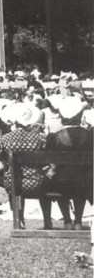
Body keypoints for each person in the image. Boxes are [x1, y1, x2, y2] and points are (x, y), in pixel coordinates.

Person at [42, 97, 93, 230]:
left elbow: (48, 160)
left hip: (61, 182)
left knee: (61, 178)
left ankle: (67, 221)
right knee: (80, 181)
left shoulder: (54, 137)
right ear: (80, 115)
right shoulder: (90, 135)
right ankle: (78, 222)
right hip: (86, 182)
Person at [0, 103, 46, 229]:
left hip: (14, 182)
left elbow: (1, 162)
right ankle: (47, 221)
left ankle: (19, 220)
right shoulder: (40, 138)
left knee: (13, 183)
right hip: (37, 181)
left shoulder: (3, 139)